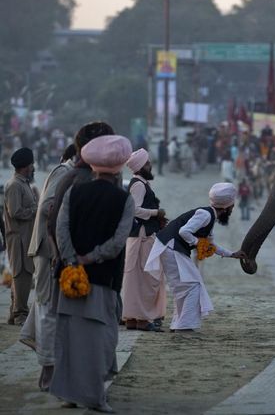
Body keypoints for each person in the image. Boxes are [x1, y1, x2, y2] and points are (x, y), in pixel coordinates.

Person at [51, 135, 135, 413]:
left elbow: (61, 231)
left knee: (70, 338)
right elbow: (118, 242)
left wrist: (73, 259)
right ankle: (95, 397)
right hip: (102, 279)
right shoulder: (124, 199)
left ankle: (68, 394)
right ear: (120, 166)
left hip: (70, 278)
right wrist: (91, 258)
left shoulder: (75, 192)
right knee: (99, 339)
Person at [144, 183, 243, 332]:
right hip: (171, 247)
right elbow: (185, 231)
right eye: (232, 206)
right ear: (227, 207)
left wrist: (232, 254)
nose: (232, 208)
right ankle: (184, 326)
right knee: (192, 286)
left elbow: (211, 244)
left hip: (171, 247)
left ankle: (179, 323)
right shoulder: (205, 215)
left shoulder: (209, 216)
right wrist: (197, 242)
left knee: (184, 287)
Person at [19, 144, 76, 390]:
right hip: (47, 249)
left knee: (44, 304)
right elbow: (46, 208)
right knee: (47, 307)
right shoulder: (64, 172)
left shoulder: (64, 171)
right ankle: (48, 373)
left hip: (48, 248)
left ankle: (31, 339)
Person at [121, 149, 167, 332]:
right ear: (141, 166)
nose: (150, 166)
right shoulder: (139, 185)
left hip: (140, 236)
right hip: (142, 237)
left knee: (136, 278)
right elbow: (134, 210)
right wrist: (157, 213)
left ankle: (133, 319)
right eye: (147, 163)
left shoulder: (141, 183)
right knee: (146, 278)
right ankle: (142, 319)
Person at [4, 147, 37, 327]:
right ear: (26, 166)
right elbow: (15, 211)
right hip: (18, 239)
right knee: (21, 276)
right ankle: (19, 315)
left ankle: (13, 313)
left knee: (23, 276)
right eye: (32, 165)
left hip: (25, 238)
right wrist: (35, 211)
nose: (33, 167)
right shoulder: (15, 185)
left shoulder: (23, 183)